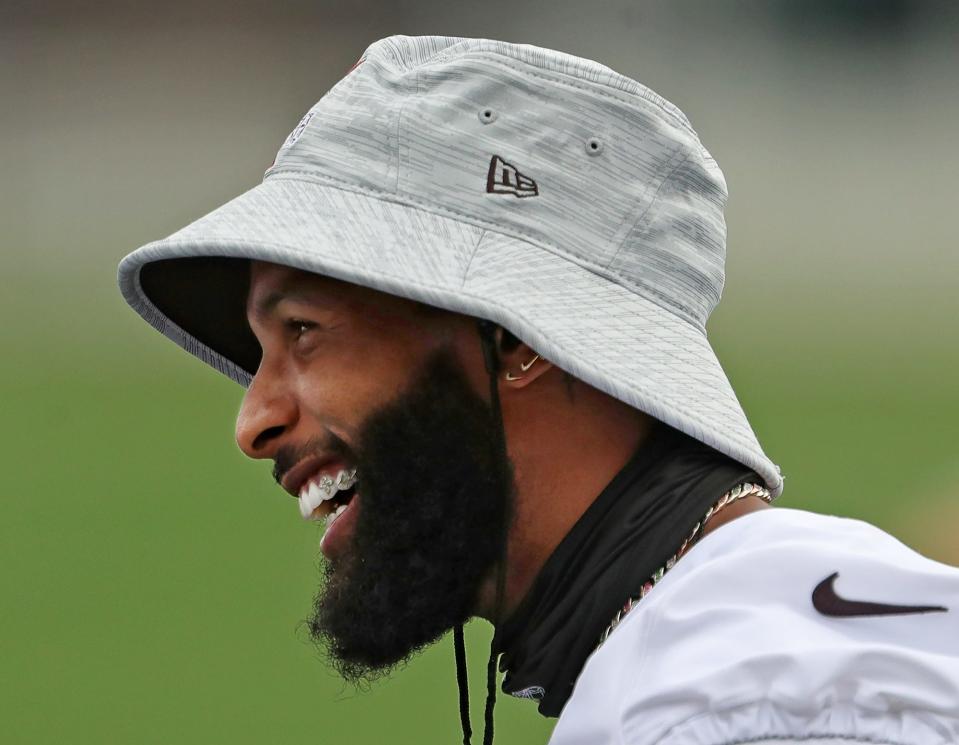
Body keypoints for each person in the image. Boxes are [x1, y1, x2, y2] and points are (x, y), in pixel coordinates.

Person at [118, 35, 959, 745]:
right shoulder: (770, 635)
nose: (254, 420)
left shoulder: (735, 706)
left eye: (302, 331)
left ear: (516, 340)